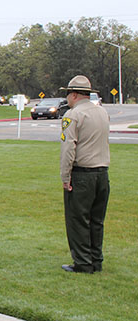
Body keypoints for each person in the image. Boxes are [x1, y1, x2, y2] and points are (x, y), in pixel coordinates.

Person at [59, 75, 110, 274]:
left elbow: (68, 149)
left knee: (78, 219)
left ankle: (82, 262)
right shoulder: (102, 112)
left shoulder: (73, 115)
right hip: (102, 172)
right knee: (96, 220)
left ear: (73, 94)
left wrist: (65, 176)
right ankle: (96, 259)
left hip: (82, 174)